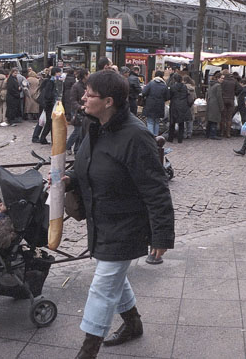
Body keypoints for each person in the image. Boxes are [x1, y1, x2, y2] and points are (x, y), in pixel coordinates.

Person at [65, 70, 174, 358]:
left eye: (90, 94)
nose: (83, 98)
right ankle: (133, 323)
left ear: (109, 101)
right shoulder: (94, 126)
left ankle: (88, 350)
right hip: (101, 220)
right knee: (112, 274)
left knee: (103, 284)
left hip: (127, 223)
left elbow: (156, 189)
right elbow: (84, 166)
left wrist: (161, 235)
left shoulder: (136, 136)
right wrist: (69, 180)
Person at [32, 67, 60, 144]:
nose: (60, 74)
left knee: (48, 122)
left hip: (47, 105)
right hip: (48, 106)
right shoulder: (50, 82)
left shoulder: (51, 81)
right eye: (59, 72)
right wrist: (50, 103)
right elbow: (48, 95)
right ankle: (42, 138)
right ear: (56, 73)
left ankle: (44, 138)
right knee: (48, 122)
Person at [65, 69, 88, 154]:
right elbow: (73, 100)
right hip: (77, 112)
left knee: (81, 132)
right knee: (78, 131)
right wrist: (80, 107)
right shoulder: (76, 86)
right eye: (88, 74)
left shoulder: (87, 85)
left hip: (85, 111)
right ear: (85, 75)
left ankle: (76, 149)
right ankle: (68, 146)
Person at [141, 71, 169, 136]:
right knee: (157, 122)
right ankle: (156, 136)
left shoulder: (150, 83)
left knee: (150, 121)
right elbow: (167, 97)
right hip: (160, 106)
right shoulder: (164, 85)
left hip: (150, 105)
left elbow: (144, 92)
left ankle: (151, 137)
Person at [167, 73, 191, 143]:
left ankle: (170, 138)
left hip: (174, 105)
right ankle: (180, 139)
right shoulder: (184, 87)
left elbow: (169, 96)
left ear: (174, 79)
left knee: (172, 122)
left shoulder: (172, 87)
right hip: (183, 105)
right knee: (181, 123)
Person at [205, 72, 224, 140]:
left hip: (210, 103)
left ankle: (207, 133)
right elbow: (219, 97)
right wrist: (221, 106)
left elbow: (207, 94)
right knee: (214, 120)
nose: (223, 80)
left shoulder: (210, 84)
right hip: (215, 104)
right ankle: (213, 134)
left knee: (210, 119)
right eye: (221, 78)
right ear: (218, 78)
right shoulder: (218, 86)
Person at [220, 72, 239, 138]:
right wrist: (234, 93)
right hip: (231, 99)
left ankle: (222, 132)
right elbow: (239, 89)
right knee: (229, 117)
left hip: (223, 99)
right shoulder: (234, 81)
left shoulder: (223, 81)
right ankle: (228, 133)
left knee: (223, 117)